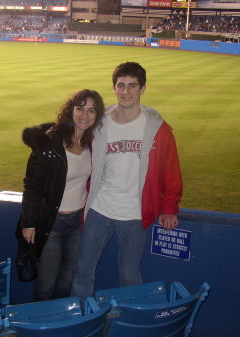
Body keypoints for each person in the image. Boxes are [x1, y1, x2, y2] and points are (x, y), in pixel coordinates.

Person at [71, 62, 183, 301]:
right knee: (82, 272)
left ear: (142, 89)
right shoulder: (99, 123)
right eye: (121, 85)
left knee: (130, 275)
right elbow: (73, 139)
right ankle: (79, 322)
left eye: (132, 85)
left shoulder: (158, 129)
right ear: (114, 88)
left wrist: (169, 208)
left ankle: (131, 324)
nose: (126, 91)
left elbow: (171, 171)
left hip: (134, 215)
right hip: (99, 210)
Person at [17, 89, 105, 301]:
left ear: (97, 115)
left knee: (67, 280)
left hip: (77, 224)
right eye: (80, 108)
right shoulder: (49, 143)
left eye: (91, 110)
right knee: (47, 283)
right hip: (51, 223)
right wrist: (29, 223)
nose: (84, 115)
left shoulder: (93, 144)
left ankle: (60, 325)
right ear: (71, 110)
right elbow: (32, 186)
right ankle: (38, 328)